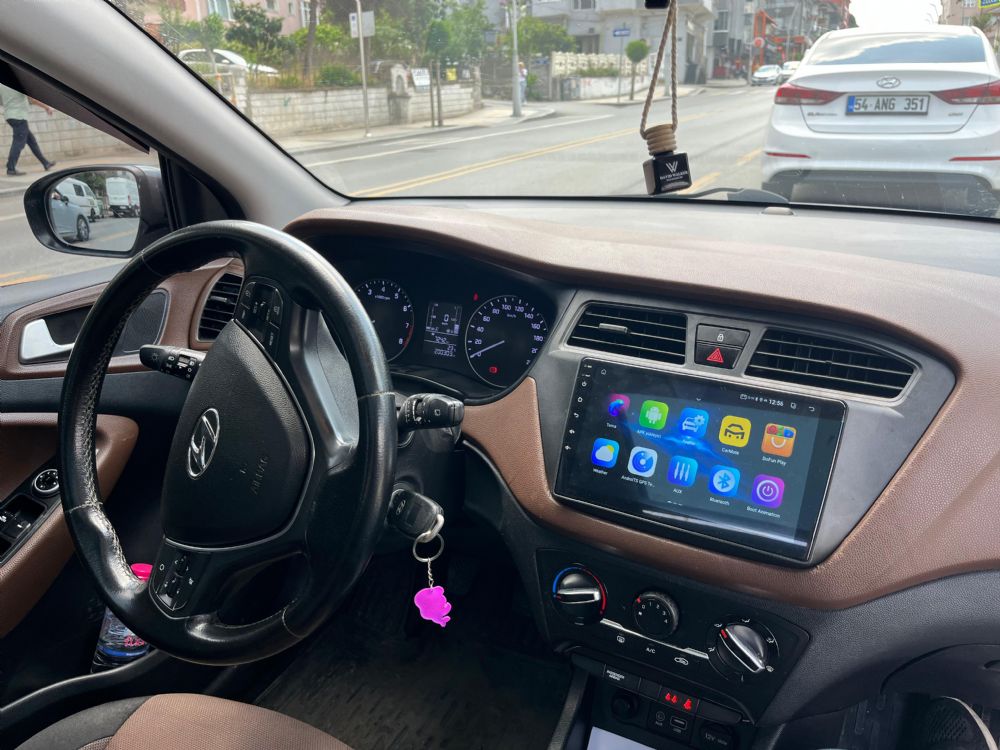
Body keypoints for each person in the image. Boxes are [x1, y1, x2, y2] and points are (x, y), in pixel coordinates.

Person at [0, 83, 56, 176]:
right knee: (18, 143)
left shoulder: (2, 85)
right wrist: (47, 108)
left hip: (10, 115)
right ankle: (11, 168)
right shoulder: (18, 83)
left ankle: (46, 163)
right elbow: (32, 100)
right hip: (19, 116)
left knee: (31, 141)